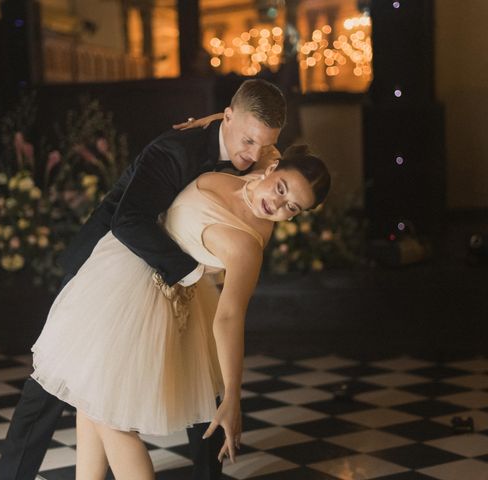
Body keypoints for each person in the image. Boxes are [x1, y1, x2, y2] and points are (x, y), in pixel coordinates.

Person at [0, 79, 288, 480]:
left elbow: (280, 175)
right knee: (52, 386)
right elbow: (128, 221)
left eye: (264, 145)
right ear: (228, 116)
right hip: (111, 261)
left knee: (202, 377)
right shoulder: (174, 149)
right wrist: (190, 274)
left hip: (172, 268)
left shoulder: (260, 156)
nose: (252, 154)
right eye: (247, 140)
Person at [30, 149, 330, 479]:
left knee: (109, 419)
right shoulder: (257, 164)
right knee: (90, 400)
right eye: (282, 189)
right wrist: (205, 124)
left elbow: (230, 317)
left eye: (292, 208)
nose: (278, 205)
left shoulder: (247, 248)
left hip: (153, 302)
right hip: (123, 270)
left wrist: (232, 395)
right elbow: (248, 118)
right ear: (272, 168)